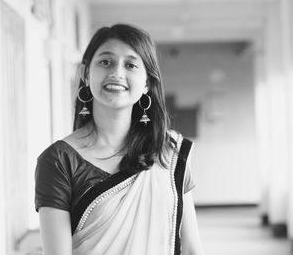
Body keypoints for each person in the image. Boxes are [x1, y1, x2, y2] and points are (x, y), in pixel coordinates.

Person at [35, 23, 204, 255]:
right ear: (86, 73)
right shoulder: (59, 161)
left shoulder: (169, 153)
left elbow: (193, 247)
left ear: (147, 83)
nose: (117, 73)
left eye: (131, 64)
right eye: (106, 62)